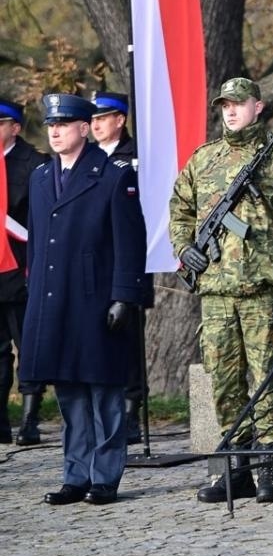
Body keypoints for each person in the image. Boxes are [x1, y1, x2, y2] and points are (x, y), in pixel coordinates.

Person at [169, 77, 273, 505]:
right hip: (215, 294)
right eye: (224, 105)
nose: (230, 111)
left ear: (258, 107)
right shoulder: (203, 160)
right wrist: (185, 249)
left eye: (239, 103)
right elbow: (179, 211)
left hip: (260, 291)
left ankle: (269, 470)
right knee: (225, 383)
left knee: (268, 378)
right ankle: (239, 469)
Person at [20, 93, 147, 505]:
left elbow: (130, 243)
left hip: (96, 299)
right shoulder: (40, 178)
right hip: (56, 299)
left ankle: (105, 478)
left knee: (104, 390)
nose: (55, 132)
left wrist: (124, 297)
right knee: (70, 390)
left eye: (64, 125)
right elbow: (39, 245)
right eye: (50, 125)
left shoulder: (112, 175)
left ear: (83, 128)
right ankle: (75, 474)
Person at [90, 90, 152, 445]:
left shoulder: (136, 158)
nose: (97, 125)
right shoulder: (88, 158)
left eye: (103, 118)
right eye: (93, 120)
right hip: (94, 262)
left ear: (120, 120)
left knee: (130, 340)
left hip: (127, 260)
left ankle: (131, 412)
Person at [0, 97, 48, 445]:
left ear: (14, 128)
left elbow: (44, 220)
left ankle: (30, 420)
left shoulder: (34, 164)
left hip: (22, 269)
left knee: (28, 344)